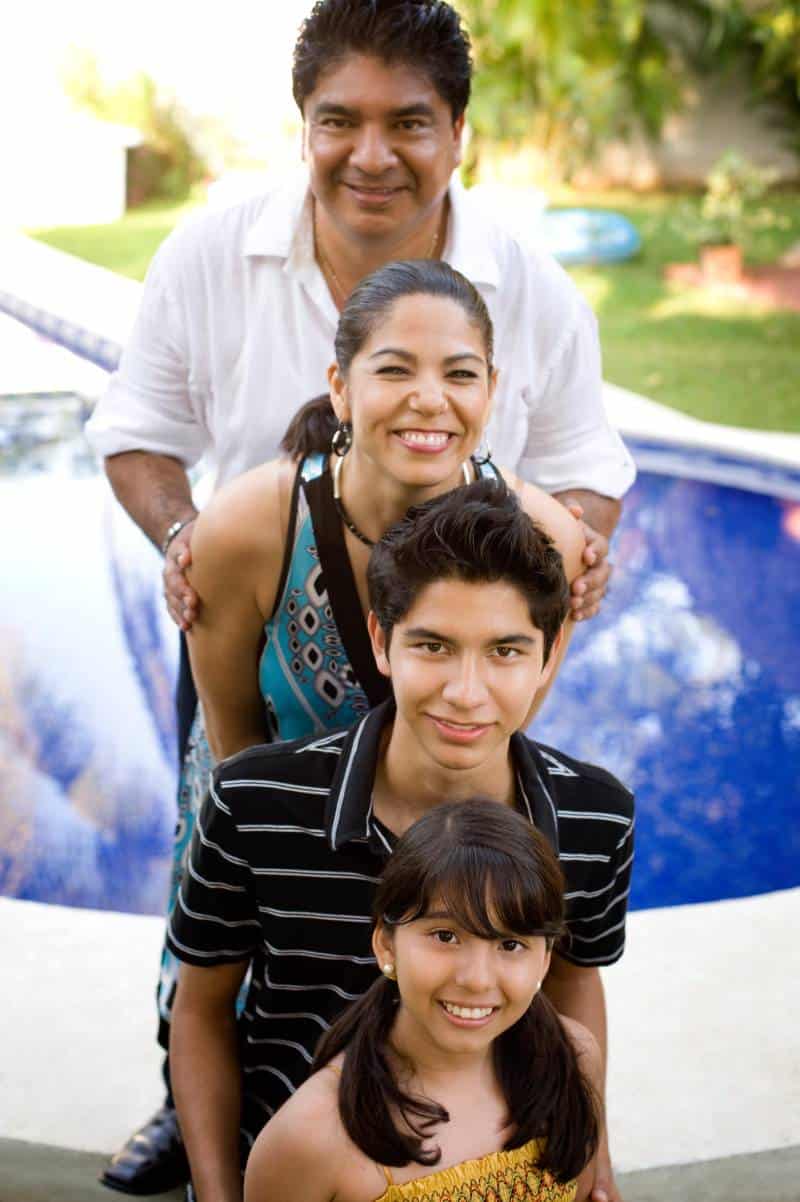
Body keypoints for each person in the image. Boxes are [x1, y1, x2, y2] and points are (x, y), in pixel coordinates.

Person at [94, 1, 634, 1190]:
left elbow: (589, 470)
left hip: (455, 652)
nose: (372, 152)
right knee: (236, 877)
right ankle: (207, 1113)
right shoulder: (211, 259)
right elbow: (134, 434)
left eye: (409, 122)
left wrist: (558, 561)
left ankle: (459, 1098)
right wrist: (189, 540)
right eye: (338, 119)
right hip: (261, 624)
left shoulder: (528, 285)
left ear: (459, 133)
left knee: (446, 917)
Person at [168, 482, 635, 1202]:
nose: (466, 691)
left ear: (548, 658)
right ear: (383, 642)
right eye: (434, 646)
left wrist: (592, 1151)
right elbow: (200, 1010)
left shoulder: (595, 816)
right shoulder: (255, 803)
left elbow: (575, 979)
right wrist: (218, 1189)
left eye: (506, 651)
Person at [243, 799, 602, 1202]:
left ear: (545, 959)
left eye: (511, 944)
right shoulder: (312, 1135)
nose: (476, 979)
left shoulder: (572, 1059)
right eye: (446, 936)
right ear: (386, 945)